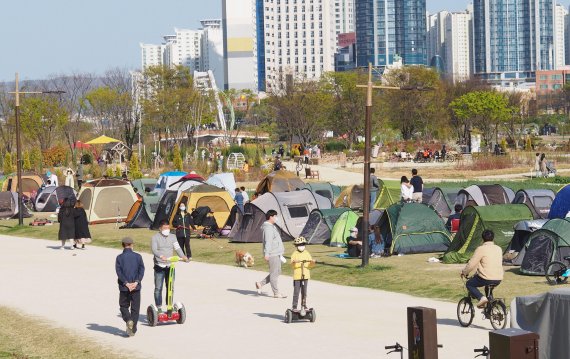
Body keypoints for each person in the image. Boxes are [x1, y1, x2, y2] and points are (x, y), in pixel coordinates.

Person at [151, 220, 188, 312]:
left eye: (168, 228)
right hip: (159, 265)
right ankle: (158, 307)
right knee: (158, 288)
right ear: (160, 228)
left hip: (170, 265)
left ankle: (169, 306)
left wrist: (183, 256)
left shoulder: (172, 236)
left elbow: (177, 248)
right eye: (165, 228)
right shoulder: (155, 237)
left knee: (170, 287)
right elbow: (154, 250)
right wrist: (161, 256)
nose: (167, 230)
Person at [461, 230, 503, 308]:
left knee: (469, 284)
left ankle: (481, 298)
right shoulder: (499, 248)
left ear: (482, 238)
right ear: (493, 238)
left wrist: (464, 272)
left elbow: (472, 263)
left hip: (486, 277)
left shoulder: (481, 249)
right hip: (498, 278)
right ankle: (490, 309)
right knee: (488, 288)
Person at [115, 237, 145, 337]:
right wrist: (136, 282)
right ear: (132, 245)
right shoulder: (138, 256)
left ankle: (128, 320)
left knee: (123, 306)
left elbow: (119, 272)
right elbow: (141, 270)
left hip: (124, 287)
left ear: (122, 245)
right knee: (135, 309)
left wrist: (127, 283)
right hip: (136, 287)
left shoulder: (119, 257)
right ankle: (133, 330)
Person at [255, 210, 287, 298]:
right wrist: (267, 253)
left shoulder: (272, 226)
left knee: (277, 272)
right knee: (274, 274)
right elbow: (268, 241)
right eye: (275, 216)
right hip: (272, 253)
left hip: (277, 252)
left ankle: (260, 284)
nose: (276, 218)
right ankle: (276, 293)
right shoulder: (268, 228)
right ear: (271, 217)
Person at [290, 237, 315, 311]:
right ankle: (294, 306)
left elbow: (310, 265)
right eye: (300, 245)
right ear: (296, 246)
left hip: (305, 275)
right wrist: (294, 262)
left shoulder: (307, 253)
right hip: (297, 276)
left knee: (304, 292)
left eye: (303, 244)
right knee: (296, 292)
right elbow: (292, 264)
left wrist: (312, 262)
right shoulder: (294, 254)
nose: (301, 246)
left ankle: (304, 305)